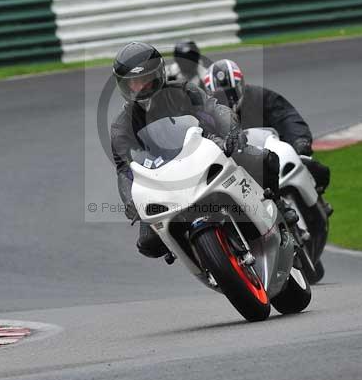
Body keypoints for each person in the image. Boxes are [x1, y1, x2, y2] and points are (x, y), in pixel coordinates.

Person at [110, 41, 296, 258]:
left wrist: (232, 132)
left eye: (144, 79)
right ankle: (188, 249)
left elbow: (215, 109)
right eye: (132, 83)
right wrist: (130, 202)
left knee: (265, 160)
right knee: (148, 242)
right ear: (123, 86)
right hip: (164, 179)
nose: (139, 86)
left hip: (208, 150)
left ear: (158, 74)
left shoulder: (183, 90)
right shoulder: (121, 126)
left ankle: (277, 204)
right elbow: (124, 169)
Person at [203, 59, 332, 252]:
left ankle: (318, 200)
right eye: (220, 96)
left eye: (231, 92)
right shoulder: (207, 115)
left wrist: (300, 142)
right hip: (240, 168)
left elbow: (287, 116)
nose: (228, 99)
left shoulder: (259, 96)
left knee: (315, 167)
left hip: (270, 152)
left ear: (241, 86)